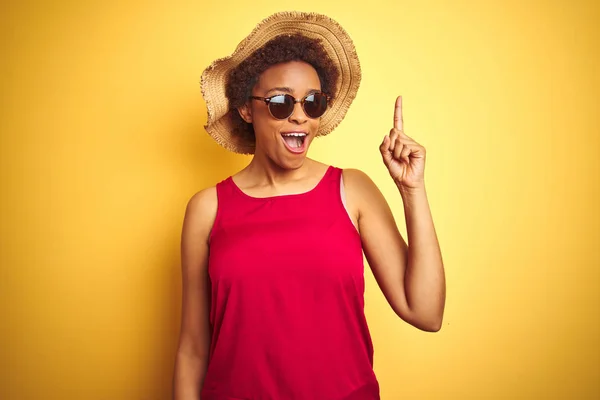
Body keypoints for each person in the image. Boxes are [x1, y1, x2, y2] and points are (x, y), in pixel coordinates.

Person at [173, 11, 445, 400]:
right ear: (246, 109)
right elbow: (193, 349)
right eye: (281, 102)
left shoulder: (351, 190)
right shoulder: (207, 208)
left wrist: (412, 190)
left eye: (312, 102)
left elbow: (426, 312)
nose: (299, 114)